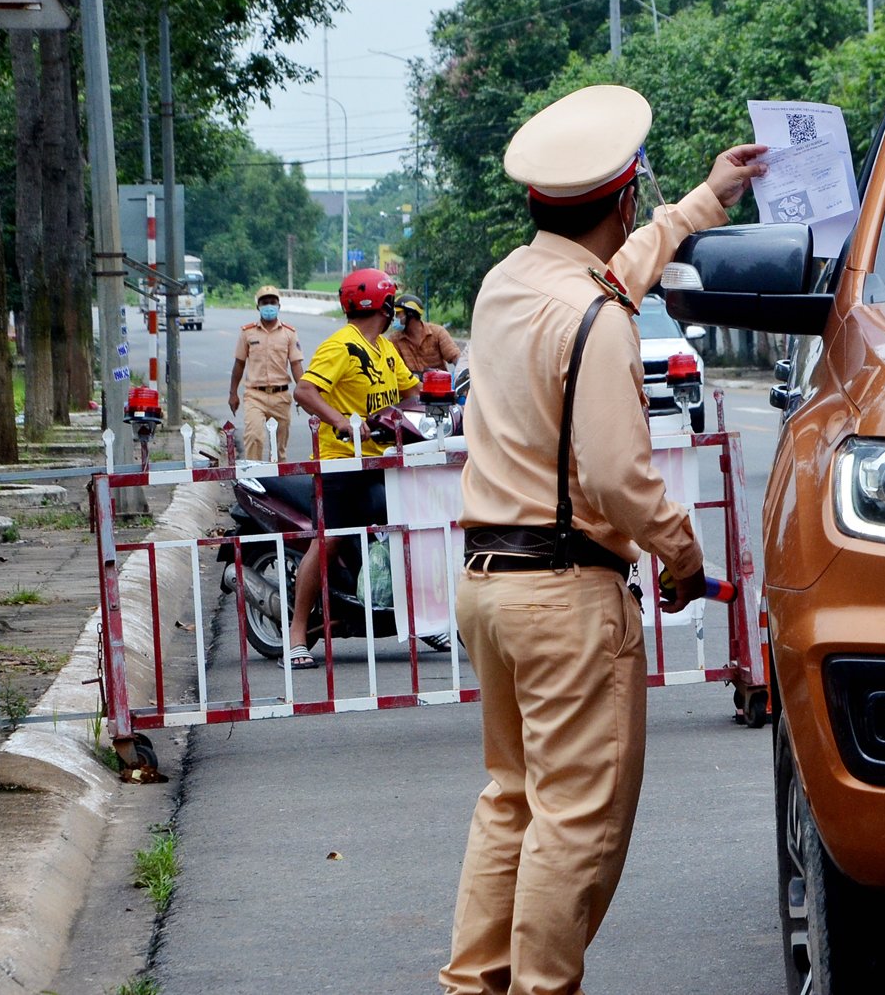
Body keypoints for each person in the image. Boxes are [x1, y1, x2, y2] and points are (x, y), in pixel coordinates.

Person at [439, 83, 765, 995]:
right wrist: (685, 556)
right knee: (575, 820)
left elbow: (615, 269)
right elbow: (622, 478)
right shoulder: (600, 319)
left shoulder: (508, 282)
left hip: (490, 586)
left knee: (511, 800)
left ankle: (475, 986)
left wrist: (705, 201)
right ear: (619, 198)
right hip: (564, 596)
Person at [286, 266, 421, 669]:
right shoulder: (342, 346)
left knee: (408, 532)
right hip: (341, 464)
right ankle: (296, 635)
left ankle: (417, 618)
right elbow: (305, 390)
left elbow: (411, 389)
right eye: (391, 301)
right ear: (385, 304)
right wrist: (341, 420)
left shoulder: (383, 348)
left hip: (382, 461)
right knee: (327, 541)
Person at [227, 284, 305, 460]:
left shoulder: (289, 333)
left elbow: (296, 365)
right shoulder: (247, 333)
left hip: (281, 395)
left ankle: (279, 480)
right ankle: (255, 477)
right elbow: (239, 363)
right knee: (254, 437)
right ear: (258, 306)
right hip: (255, 395)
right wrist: (233, 393)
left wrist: (303, 392)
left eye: (272, 302)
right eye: (264, 302)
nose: (269, 306)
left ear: (278, 306)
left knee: (279, 448)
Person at [390, 294, 460, 375]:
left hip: (439, 384)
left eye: (398, 313)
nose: (395, 317)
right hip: (412, 386)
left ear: (410, 314)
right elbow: (394, 369)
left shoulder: (437, 332)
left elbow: (455, 357)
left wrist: (463, 374)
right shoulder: (394, 340)